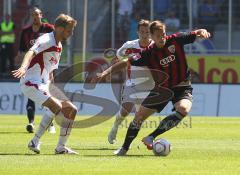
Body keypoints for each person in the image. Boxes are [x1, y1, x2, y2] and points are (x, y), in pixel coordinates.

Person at [93, 20, 211, 156]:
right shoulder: (148, 53)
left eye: (164, 34)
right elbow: (126, 62)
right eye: (158, 36)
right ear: (152, 36)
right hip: (163, 89)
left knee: (183, 109)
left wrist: (202, 31)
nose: (162, 38)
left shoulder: (175, 40)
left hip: (183, 87)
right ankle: (124, 148)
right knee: (139, 117)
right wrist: (105, 72)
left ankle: (151, 137)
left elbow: (195, 33)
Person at [12, 14, 78, 154]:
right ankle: (35, 141)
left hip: (43, 84)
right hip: (30, 82)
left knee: (72, 110)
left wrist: (52, 88)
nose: (71, 33)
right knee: (57, 106)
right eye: (69, 30)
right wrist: (23, 67)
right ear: (59, 28)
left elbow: (50, 70)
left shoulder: (59, 45)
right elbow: (31, 52)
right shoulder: (47, 39)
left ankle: (60, 147)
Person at [108, 19, 155, 144]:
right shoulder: (130, 45)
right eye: (142, 32)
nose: (144, 35)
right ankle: (115, 127)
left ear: (151, 33)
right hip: (132, 83)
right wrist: (111, 71)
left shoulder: (155, 46)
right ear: (137, 32)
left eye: (147, 32)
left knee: (139, 117)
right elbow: (117, 58)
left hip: (150, 86)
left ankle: (127, 143)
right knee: (125, 110)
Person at [17, 7, 55, 133]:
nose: (35, 17)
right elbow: (23, 50)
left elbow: (54, 49)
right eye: (32, 15)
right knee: (31, 95)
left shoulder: (49, 29)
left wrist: (52, 70)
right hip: (32, 68)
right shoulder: (26, 31)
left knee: (47, 94)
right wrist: (23, 66)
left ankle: (50, 123)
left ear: (41, 15)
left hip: (46, 67)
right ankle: (31, 123)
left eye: (37, 14)